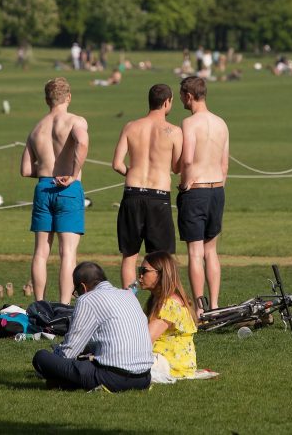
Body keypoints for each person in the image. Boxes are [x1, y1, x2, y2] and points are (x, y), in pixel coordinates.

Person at [32, 262, 152, 392]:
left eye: (76, 292)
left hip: (113, 378)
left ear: (83, 287)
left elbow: (69, 352)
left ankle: (62, 381)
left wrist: (55, 356)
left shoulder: (87, 300)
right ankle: (64, 382)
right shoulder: (129, 295)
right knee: (80, 364)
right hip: (144, 378)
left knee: (41, 357)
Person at [21, 78, 89, 303]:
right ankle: (63, 305)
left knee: (41, 251)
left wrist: (45, 172)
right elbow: (82, 142)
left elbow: (25, 170)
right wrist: (73, 172)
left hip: (43, 188)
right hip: (68, 188)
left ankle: (39, 303)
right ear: (68, 97)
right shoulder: (75, 120)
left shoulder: (36, 128)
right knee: (67, 253)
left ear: (46, 100)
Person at [112, 84, 183, 289]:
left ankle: (129, 305)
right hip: (158, 196)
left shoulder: (131, 126)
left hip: (132, 193)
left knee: (129, 255)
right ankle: (160, 304)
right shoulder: (174, 132)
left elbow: (117, 164)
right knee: (161, 258)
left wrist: (133, 173)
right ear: (167, 102)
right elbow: (177, 168)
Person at [177, 76, 229, 314]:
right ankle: (215, 304)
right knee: (211, 251)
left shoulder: (189, 124)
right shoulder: (221, 123)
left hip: (196, 190)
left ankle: (199, 308)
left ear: (189, 96)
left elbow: (187, 159)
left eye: (181, 96)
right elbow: (225, 164)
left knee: (195, 252)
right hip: (217, 189)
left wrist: (185, 182)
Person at [138, 251, 197, 379]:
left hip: (171, 366)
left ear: (161, 274)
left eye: (144, 271)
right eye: (139, 270)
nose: (140, 276)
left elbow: (144, 341)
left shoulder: (169, 304)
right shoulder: (158, 300)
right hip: (168, 362)